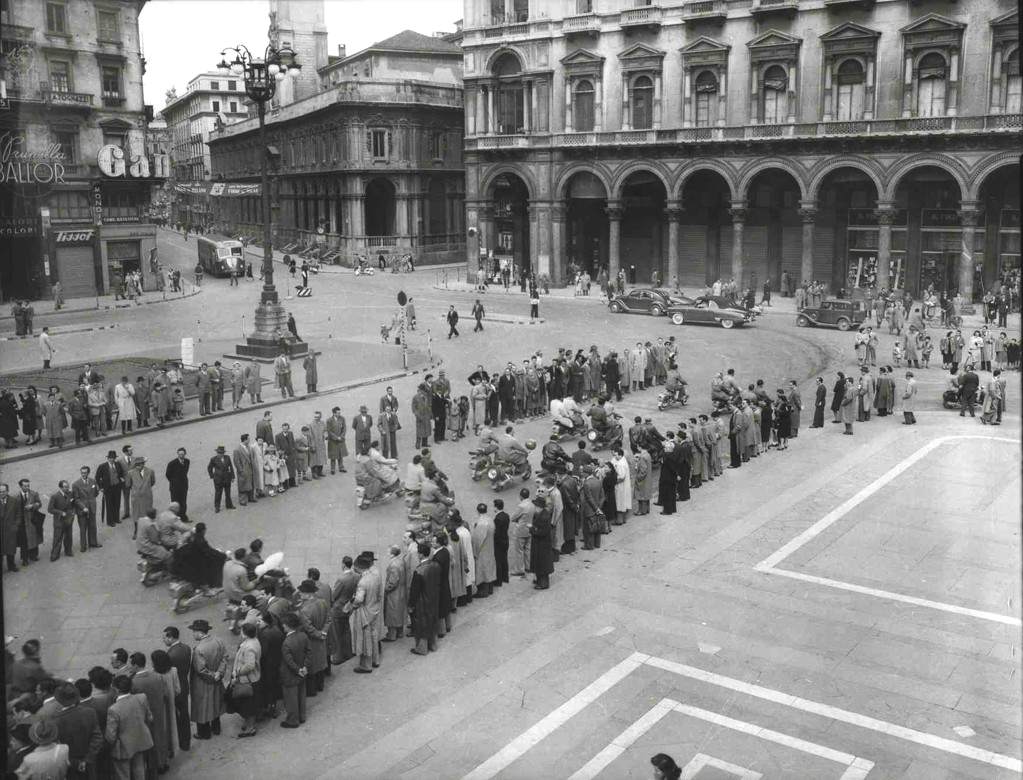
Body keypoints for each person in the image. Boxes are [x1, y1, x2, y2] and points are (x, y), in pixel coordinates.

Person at [129, 652, 172, 773]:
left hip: (144, 716)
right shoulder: (157, 676)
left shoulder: (134, 682)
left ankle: (153, 767)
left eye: (131, 665)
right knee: (160, 737)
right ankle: (163, 763)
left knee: (148, 742)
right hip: (159, 711)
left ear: (136, 665)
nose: (130, 668)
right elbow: (165, 693)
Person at [105, 674, 153, 780]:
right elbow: (149, 718)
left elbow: (110, 736)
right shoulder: (142, 697)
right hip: (140, 740)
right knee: (139, 770)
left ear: (116, 689)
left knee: (123, 775)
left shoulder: (114, 709)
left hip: (123, 747)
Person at [189, 619, 228, 740]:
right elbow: (224, 658)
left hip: (202, 683)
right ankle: (216, 728)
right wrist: (219, 673)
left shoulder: (199, 649)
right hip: (216, 679)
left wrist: (212, 676)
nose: (193, 634)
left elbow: (201, 670)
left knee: (202, 707)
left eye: (194, 631)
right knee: (216, 703)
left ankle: (203, 733)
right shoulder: (218, 641)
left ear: (199, 632)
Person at [349, 552, 383, 673]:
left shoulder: (363, 582)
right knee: (374, 635)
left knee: (364, 638)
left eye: (356, 568)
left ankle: (366, 665)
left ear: (360, 567)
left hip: (364, 613)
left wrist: (352, 605)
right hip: (374, 609)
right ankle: (375, 660)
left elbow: (359, 599)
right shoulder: (376, 574)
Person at [408, 542, 441, 655]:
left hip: (422, 602)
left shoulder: (419, 571)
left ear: (420, 554)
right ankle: (433, 644)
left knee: (421, 624)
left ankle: (421, 648)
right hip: (434, 598)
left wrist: (411, 605)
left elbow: (414, 591)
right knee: (432, 620)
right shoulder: (436, 565)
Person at [162, 627, 191, 753]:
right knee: (184, 713)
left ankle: (181, 740)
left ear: (170, 637)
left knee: (177, 715)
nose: (163, 640)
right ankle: (186, 741)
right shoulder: (186, 648)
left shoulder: (170, 655)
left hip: (176, 687)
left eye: (164, 637)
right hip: (184, 683)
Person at [279, 612, 309, 728]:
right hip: (303, 671)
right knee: (301, 694)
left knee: (291, 698)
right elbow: (309, 652)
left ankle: (292, 720)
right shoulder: (303, 636)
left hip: (290, 674)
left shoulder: (286, 643)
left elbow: (289, 661)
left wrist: (297, 670)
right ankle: (302, 716)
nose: (282, 626)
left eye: (283, 625)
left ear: (287, 625)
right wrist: (305, 667)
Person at [71, 466, 101, 553]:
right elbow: (76, 499)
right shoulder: (75, 484)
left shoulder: (93, 481)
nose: (83, 474)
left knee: (93, 526)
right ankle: (83, 546)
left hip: (92, 508)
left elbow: (96, 493)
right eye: (82, 473)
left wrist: (91, 502)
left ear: (88, 473)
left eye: (85, 473)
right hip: (82, 509)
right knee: (83, 528)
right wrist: (83, 507)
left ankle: (93, 543)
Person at [207, 445, 235, 513]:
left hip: (227, 478)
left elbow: (231, 467)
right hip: (218, 480)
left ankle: (229, 505)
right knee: (218, 493)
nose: (220, 454)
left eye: (221, 453)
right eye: (219, 452)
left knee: (228, 493)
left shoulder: (227, 458)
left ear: (224, 453)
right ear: (217, 452)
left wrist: (232, 477)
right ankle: (217, 507)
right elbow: (209, 468)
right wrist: (212, 476)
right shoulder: (213, 459)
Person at [164, 448, 190, 523]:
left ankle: (183, 517)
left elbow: (185, 472)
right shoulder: (172, 463)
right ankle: (175, 519)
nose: (181, 455)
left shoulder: (187, 461)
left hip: (184, 486)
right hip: (174, 487)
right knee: (175, 503)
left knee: (183, 502)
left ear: (185, 454)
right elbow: (168, 474)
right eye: (180, 454)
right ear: (177, 454)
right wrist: (174, 481)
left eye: (183, 454)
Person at [326, 407, 348, 474]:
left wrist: (341, 436)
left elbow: (344, 428)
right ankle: (332, 469)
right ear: (334, 413)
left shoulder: (342, 418)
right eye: (338, 413)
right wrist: (336, 437)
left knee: (340, 454)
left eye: (339, 412)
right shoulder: (329, 420)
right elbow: (329, 431)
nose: (339, 414)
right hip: (333, 441)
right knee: (333, 455)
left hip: (340, 439)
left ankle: (341, 467)